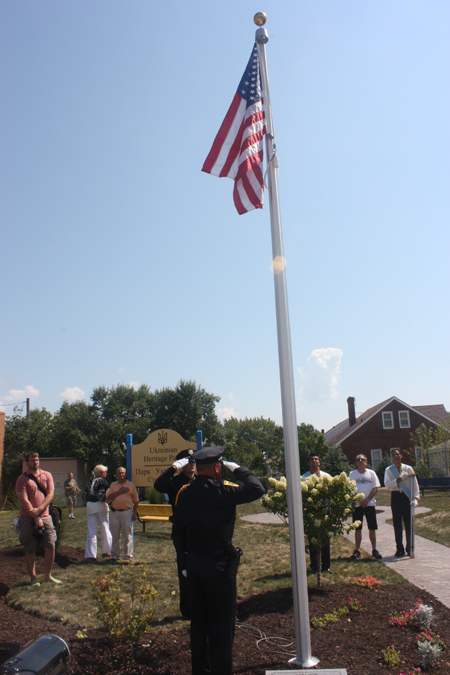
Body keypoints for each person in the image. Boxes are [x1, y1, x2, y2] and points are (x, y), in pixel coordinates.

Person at [176, 446, 265, 675]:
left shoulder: (185, 493)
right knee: (222, 628)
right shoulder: (223, 491)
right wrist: (237, 469)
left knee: (199, 625)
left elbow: (178, 531)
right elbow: (257, 488)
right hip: (218, 567)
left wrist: (185, 563)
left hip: (194, 565)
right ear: (217, 468)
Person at [154, 449, 196, 618]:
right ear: (181, 464)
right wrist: (173, 468)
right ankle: (186, 610)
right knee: (185, 571)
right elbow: (158, 485)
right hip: (182, 533)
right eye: (187, 461)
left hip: (200, 532)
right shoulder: (174, 482)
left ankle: (200, 606)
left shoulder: (200, 481)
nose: (192, 463)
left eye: (194, 460)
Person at [15, 451, 62, 586]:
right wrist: (35, 516)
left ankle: (48, 576)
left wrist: (40, 510)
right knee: (29, 548)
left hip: (46, 516)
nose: (35, 462)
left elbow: (50, 495)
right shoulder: (22, 479)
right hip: (27, 518)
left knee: (50, 545)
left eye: (37, 460)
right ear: (27, 463)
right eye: (32, 460)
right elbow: (24, 500)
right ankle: (33, 578)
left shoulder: (47, 475)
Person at [384, 449, 419, 557]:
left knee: (408, 523)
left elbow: (414, 483)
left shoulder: (408, 468)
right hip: (395, 497)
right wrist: (399, 479)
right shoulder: (389, 470)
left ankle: (410, 548)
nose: (396, 456)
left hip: (406, 496)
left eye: (398, 454)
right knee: (397, 523)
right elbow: (388, 485)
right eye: (394, 455)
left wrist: (416, 498)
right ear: (392, 457)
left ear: (401, 456)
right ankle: (399, 548)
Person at [301, 453, 332, 574]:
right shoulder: (303, 478)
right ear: (308, 463)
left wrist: (332, 509)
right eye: (312, 459)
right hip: (311, 510)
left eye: (316, 459)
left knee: (325, 537)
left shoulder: (326, 476)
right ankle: (314, 565)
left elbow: (331, 494)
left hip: (325, 510)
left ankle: (326, 565)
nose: (314, 461)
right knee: (313, 538)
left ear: (319, 462)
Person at [348, 455, 382, 560]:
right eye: (358, 460)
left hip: (370, 505)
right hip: (357, 505)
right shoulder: (352, 474)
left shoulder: (371, 473)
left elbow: (375, 488)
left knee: (372, 528)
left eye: (363, 460)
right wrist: (359, 500)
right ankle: (357, 550)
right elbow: (350, 489)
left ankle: (374, 549)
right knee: (358, 528)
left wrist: (366, 500)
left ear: (366, 462)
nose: (360, 461)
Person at [106, 467, 139, 561]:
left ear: (125, 474)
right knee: (115, 535)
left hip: (127, 512)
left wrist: (134, 513)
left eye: (123, 473)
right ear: (116, 475)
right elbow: (108, 498)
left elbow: (136, 500)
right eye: (119, 473)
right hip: (115, 512)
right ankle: (115, 555)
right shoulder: (113, 485)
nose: (121, 475)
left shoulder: (131, 484)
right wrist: (119, 492)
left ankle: (128, 555)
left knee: (127, 534)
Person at [83, 465, 112, 561]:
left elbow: (85, 495)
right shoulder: (102, 482)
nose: (106, 474)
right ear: (101, 473)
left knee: (91, 531)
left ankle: (90, 555)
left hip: (90, 506)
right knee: (105, 528)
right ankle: (106, 551)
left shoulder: (90, 481)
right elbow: (101, 495)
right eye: (105, 472)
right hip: (100, 506)